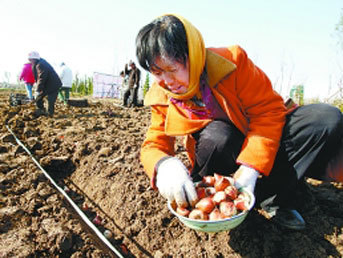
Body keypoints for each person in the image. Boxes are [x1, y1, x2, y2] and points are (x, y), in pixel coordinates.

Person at [136, 14, 343, 231]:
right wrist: (164, 165)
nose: (167, 82)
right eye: (158, 73)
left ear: (193, 56)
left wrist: (251, 168)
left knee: (325, 119)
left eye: (172, 69)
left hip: (260, 144)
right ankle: (219, 200)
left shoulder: (231, 63)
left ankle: (273, 196)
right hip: (220, 156)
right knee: (218, 136)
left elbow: (268, 112)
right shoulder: (163, 95)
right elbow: (154, 144)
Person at [28, 51, 62, 117]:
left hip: (53, 85)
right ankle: (41, 110)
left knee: (50, 100)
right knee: (38, 98)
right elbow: (38, 77)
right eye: (29, 59)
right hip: (47, 85)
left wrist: (38, 90)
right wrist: (37, 86)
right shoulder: (36, 64)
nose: (30, 61)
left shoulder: (41, 64)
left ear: (35, 59)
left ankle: (50, 114)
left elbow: (42, 77)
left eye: (31, 59)